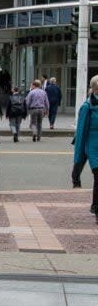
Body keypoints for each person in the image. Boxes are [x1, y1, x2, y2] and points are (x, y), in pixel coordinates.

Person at [72, 74, 98, 223]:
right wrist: (78, 163)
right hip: (93, 147)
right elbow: (81, 136)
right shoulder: (87, 107)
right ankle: (96, 208)